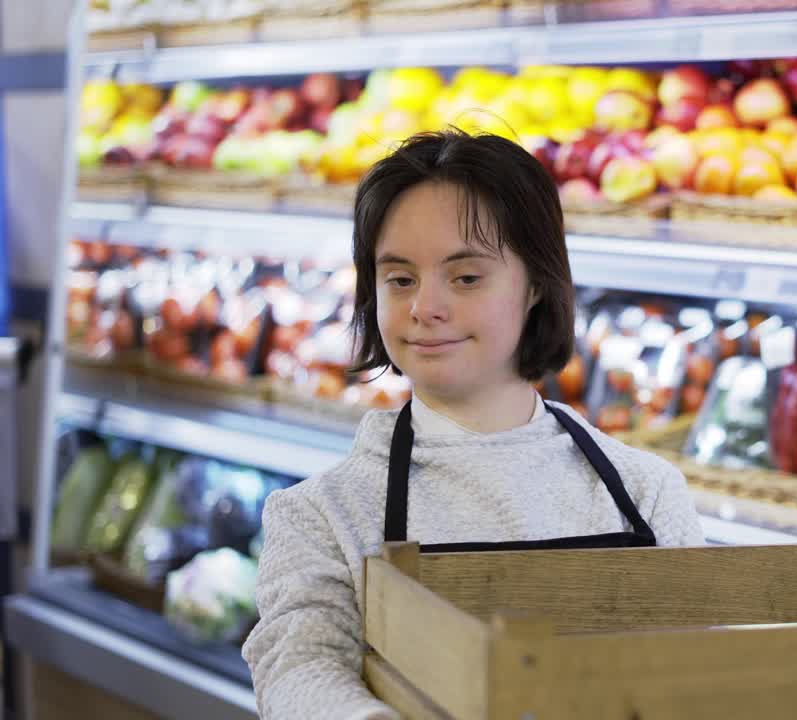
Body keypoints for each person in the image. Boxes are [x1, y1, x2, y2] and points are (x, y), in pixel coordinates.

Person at [243, 129, 705, 719]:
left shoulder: (645, 492)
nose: (424, 307)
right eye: (400, 278)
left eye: (465, 277)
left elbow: (696, 671)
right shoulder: (320, 515)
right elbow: (299, 669)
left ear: (536, 284)